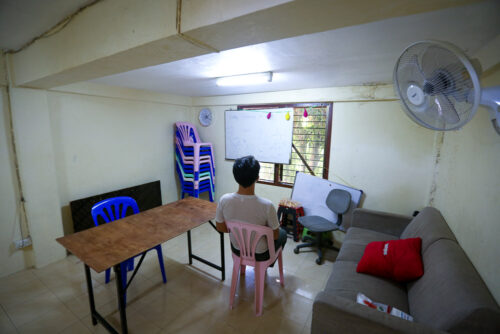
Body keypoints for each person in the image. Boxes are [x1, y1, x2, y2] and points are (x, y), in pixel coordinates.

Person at [215, 155, 287, 261]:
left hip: (237, 249)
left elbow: (220, 227)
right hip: (261, 254)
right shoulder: (267, 205)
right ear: (257, 178)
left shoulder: (224, 200)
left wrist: (239, 232)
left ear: (235, 177)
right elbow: (275, 235)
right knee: (282, 233)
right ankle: (267, 264)